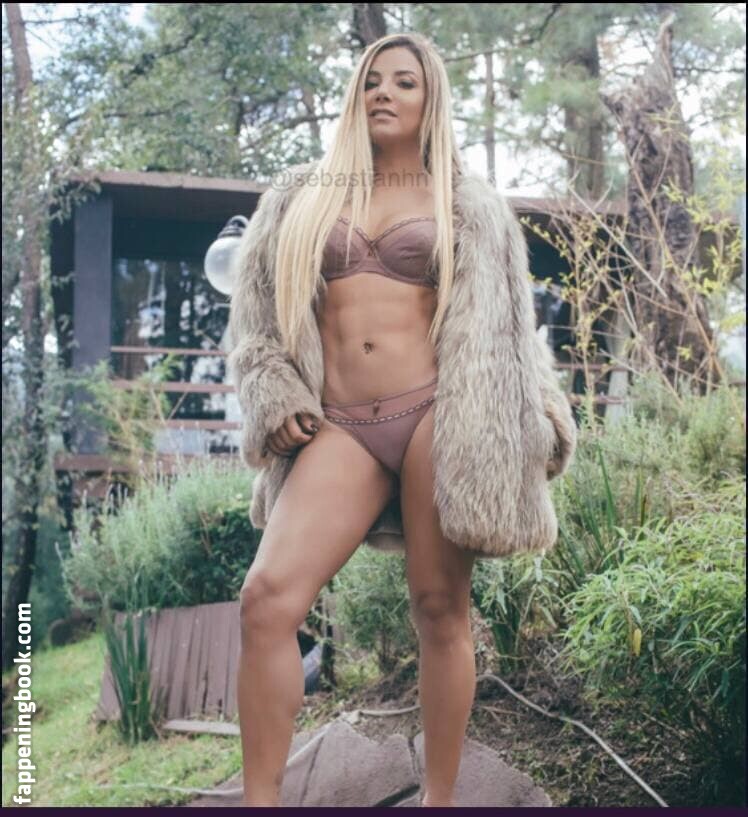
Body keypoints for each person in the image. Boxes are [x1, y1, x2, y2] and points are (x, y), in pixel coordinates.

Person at [227, 32, 577, 808]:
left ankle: (438, 800)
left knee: (440, 608)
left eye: (404, 82)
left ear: (430, 99)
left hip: (434, 417)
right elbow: (255, 321)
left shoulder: (468, 204)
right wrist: (274, 391)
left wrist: (543, 416)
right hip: (339, 426)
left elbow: (507, 333)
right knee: (266, 600)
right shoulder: (301, 195)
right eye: (372, 80)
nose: (384, 91)